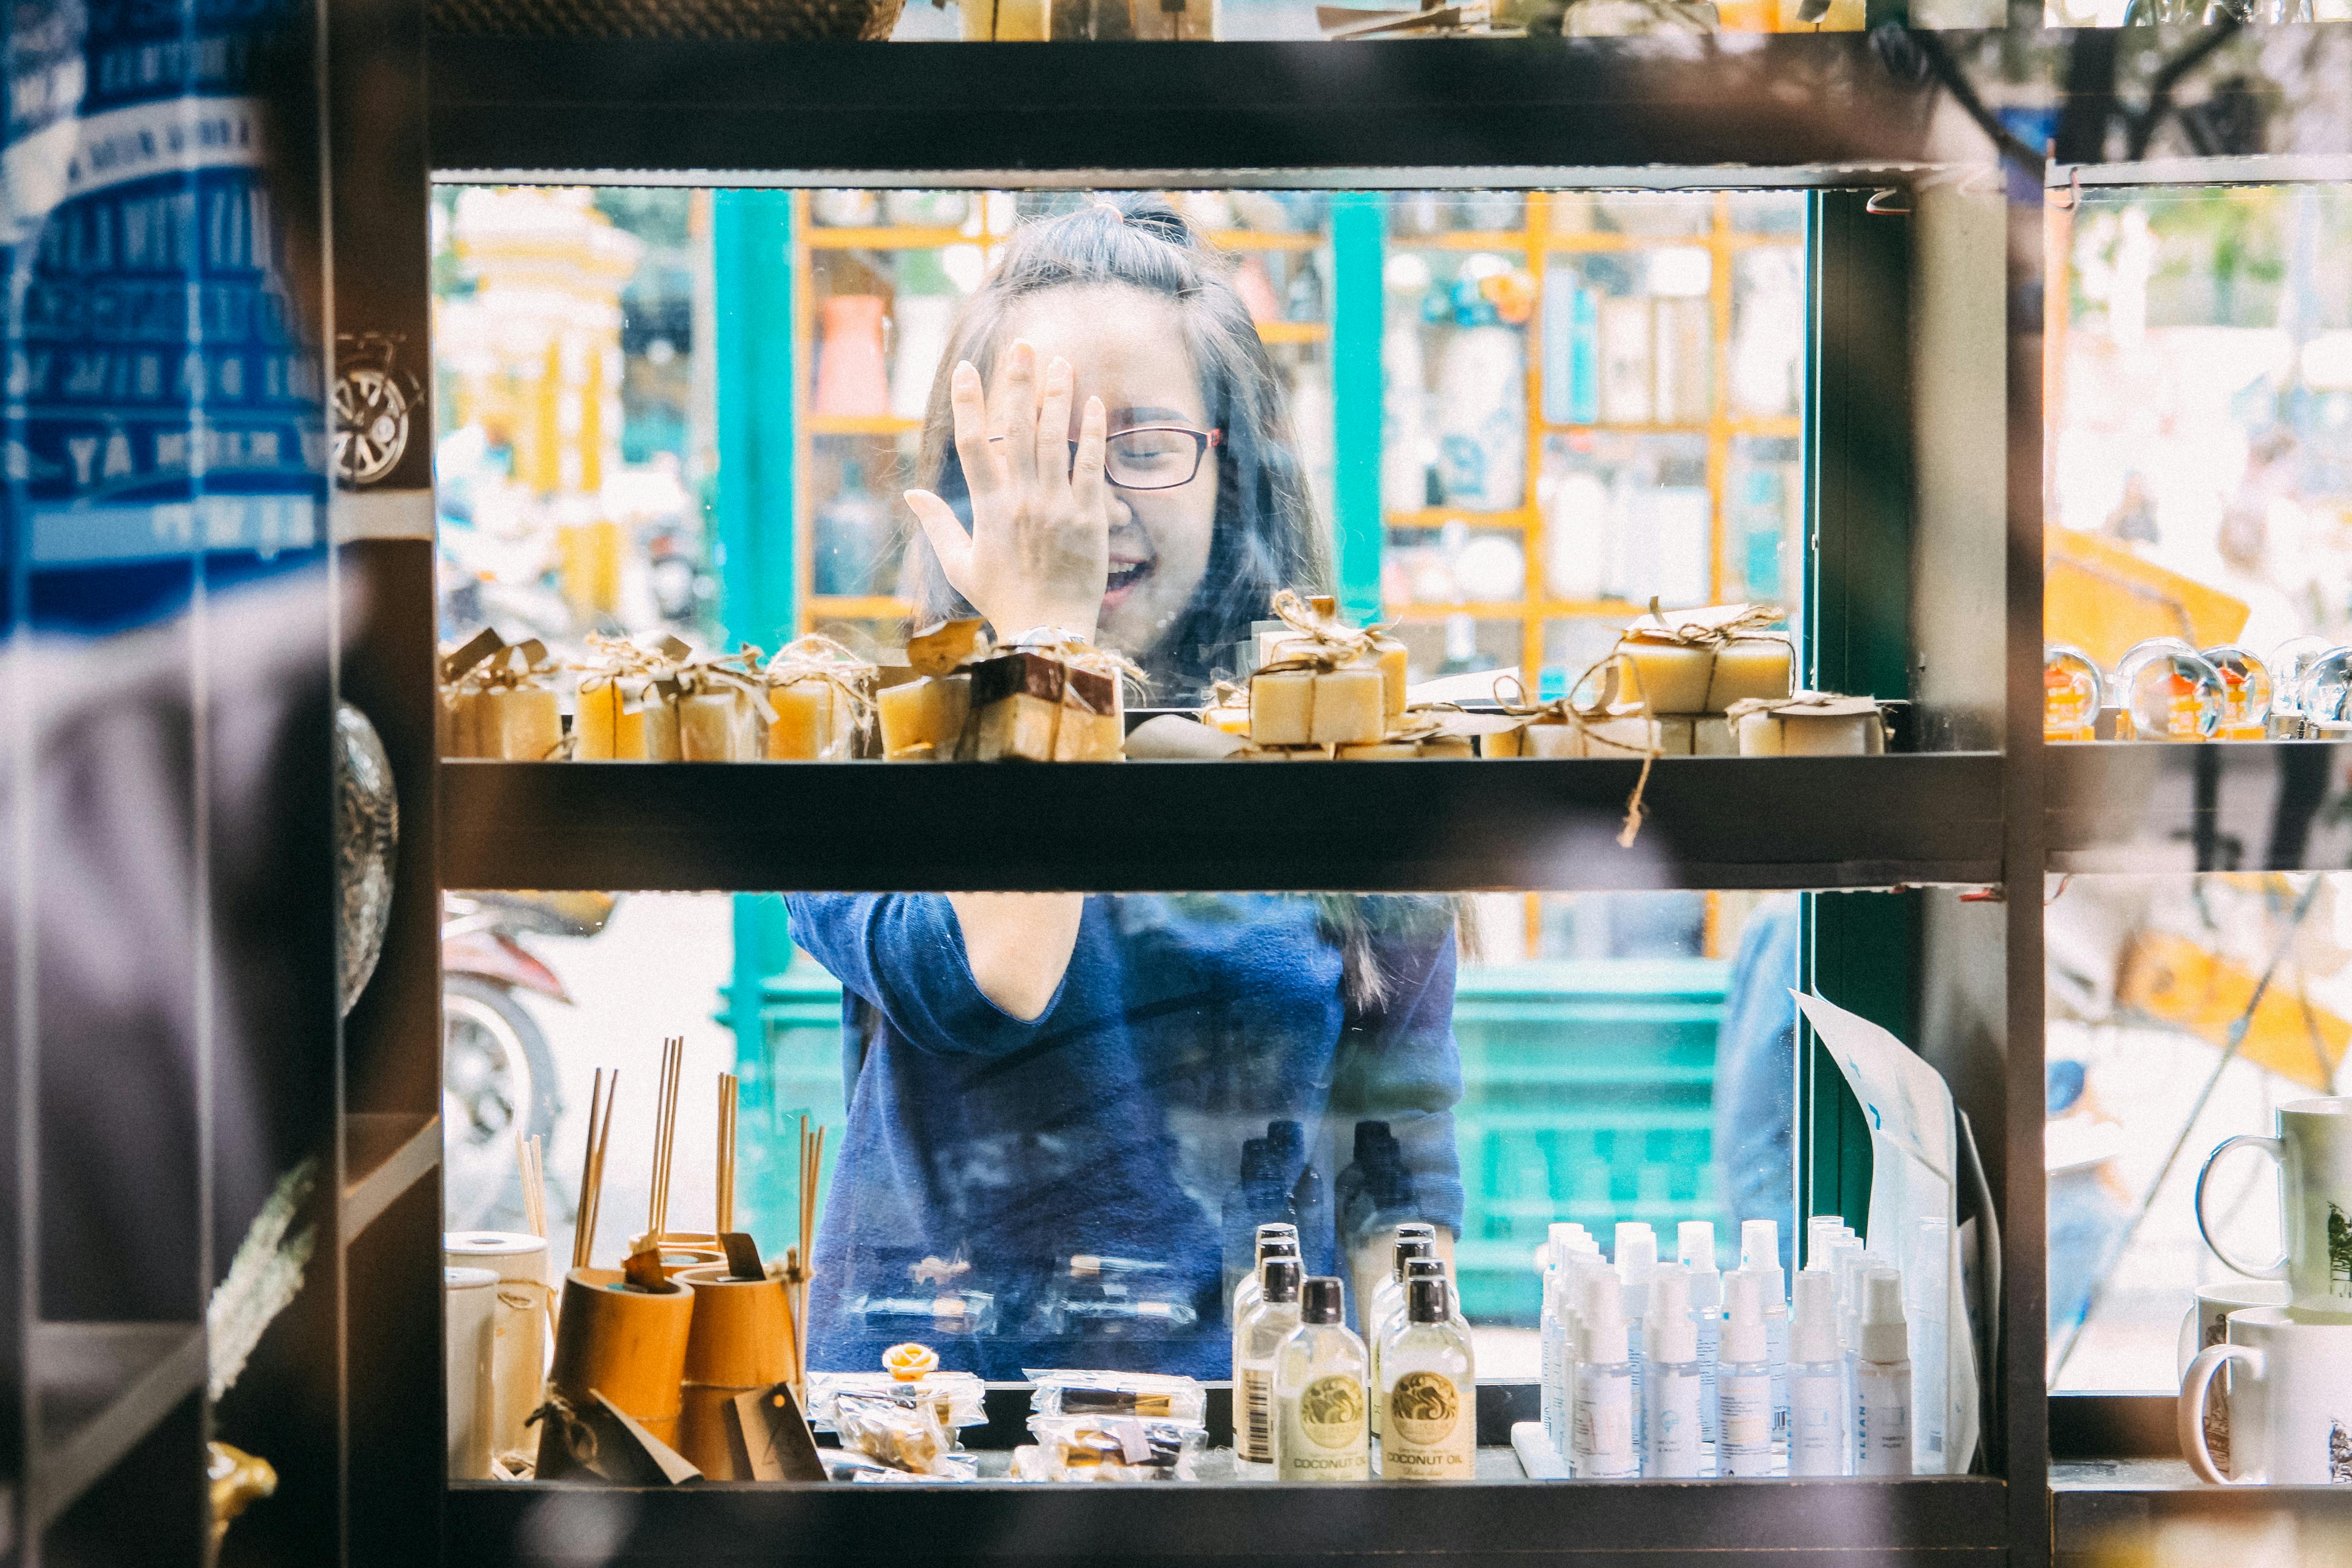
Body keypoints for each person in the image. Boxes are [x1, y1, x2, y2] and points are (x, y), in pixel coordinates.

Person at [785, 198, 1465, 1377]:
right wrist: (1041, 635)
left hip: (1236, 1440)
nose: (1085, 509)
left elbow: (1394, 1175)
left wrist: (1406, 1413)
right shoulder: (866, 750)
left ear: (1232, 473)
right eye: (1040, 456)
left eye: (1143, 448)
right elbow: (996, 976)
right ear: (968, 485)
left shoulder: (1336, 758)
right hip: (923, 1450)